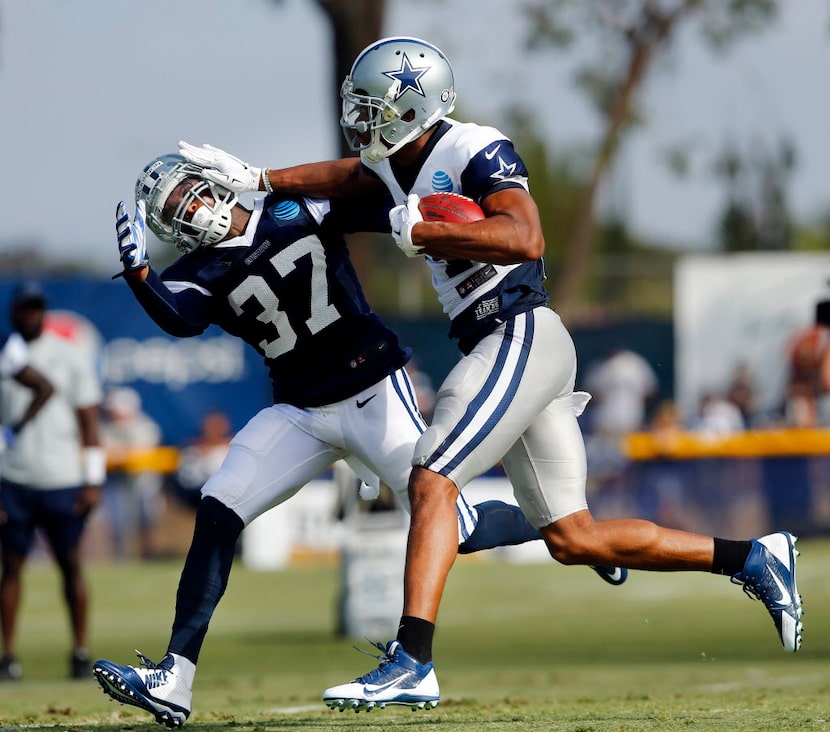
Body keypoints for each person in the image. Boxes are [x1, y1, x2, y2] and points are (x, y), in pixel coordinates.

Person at [179, 35, 804, 713]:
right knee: (574, 538)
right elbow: (344, 178)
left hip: (518, 330)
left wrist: (428, 234)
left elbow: (524, 237)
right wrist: (261, 180)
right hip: (502, 340)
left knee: (432, 476)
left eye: (372, 107)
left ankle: (412, 661)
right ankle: (751, 556)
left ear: (415, 108)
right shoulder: (397, 164)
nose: (361, 120)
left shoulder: (472, 148)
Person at [91, 154, 622, 728]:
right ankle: (175, 678)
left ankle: (563, 533)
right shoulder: (198, 269)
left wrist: (425, 219)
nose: (189, 212)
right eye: (175, 212)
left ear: (214, 183)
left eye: (189, 196)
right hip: (297, 408)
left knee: (459, 528)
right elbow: (180, 320)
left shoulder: (290, 207)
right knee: (219, 507)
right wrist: (142, 276)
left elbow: (378, 202)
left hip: (372, 388)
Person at [0, 282, 105, 681]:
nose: (30, 315)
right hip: (14, 477)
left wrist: (93, 479)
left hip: (63, 477)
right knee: (11, 566)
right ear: (13, 312)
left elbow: (89, 420)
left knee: (71, 564)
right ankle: (8, 656)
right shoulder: (7, 354)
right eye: (23, 308)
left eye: (36, 308)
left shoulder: (69, 355)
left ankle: (79, 651)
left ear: (44, 311)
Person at [100, 387, 164, 559]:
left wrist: (121, 453)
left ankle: (148, 556)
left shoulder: (146, 426)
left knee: (146, 520)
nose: (116, 416)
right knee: (117, 523)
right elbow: (105, 450)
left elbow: (140, 452)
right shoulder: (105, 428)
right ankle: (121, 558)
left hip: (142, 482)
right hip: (116, 482)